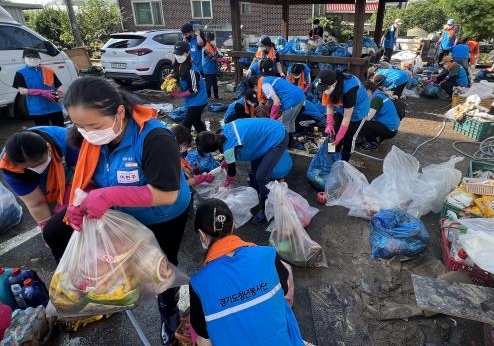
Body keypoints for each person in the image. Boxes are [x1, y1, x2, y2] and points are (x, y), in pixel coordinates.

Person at [41, 77, 192, 345]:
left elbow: (167, 193)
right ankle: (100, 292)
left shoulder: (155, 137)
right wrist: (80, 202)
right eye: (80, 126)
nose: (87, 133)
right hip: (122, 212)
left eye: (94, 126)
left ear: (120, 112)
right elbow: (91, 178)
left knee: (162, 266)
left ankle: (168, 309)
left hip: (164, 213)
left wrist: (108, 195)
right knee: (55, 231)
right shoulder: (90, 139)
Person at [189, 199, 303, 346]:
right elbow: (284, 288)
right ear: (233, 225)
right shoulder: (268, 255)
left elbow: (204, 340)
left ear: (202, 235)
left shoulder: (199, 285)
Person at [195, 118, 288, 223]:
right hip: (268, 130)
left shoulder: (228, 148)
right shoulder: (221, 132)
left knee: (261, 177)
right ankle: (257, 189)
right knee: (255, 170)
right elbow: (234, 150)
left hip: (277, 136)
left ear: (213, 149)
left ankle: (266, 209)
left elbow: (232, 172)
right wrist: (227, 160)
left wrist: (228, 182)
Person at [0, 126, 78, 230]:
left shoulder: (64, 138)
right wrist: (47, 228)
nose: (37, 168)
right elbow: (36, 203)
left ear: (48, 148)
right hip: (35, 181)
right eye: (30, 167)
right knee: (57, 224)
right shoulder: (10, 168)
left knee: (73, 208)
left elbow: (78, 171)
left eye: (40, 163)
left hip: (65, 172)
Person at [315, 69, 370, 162]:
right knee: (333, 134)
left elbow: (347, 117)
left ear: (334, 83)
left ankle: (344, 162)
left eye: (325, 88)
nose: (324, 91)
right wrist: (329, 123)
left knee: (349, 137)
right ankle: (330, 158)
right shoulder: (327, 85)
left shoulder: (350, 89)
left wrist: (340, 135)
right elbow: (329, 104)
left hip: (358, 112)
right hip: (342, 109)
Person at [257, 59, 305, 144]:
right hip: (301, 96)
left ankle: (285, 145)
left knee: (284, 124)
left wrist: (272, 119)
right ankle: (290, 144)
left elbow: (276, 101)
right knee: (291, 121)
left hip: (291, 101)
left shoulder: (265, 84)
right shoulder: (276, 79)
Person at [12, 48, 64, 127]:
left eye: (35, 57)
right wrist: (41, 92)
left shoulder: (48, 71)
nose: (33, 59)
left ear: (39, 59)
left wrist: (59, 95)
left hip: (55, 107)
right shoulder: (20, 73)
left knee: (60, 129)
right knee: (45, 133)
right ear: (23, 59)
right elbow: (22, 91)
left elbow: (58, 86)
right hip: (37, 109)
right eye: (29, 57)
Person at [172, 41, 208, 133]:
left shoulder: (192, 70)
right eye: (176, 54)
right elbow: (177, 73)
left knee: (185, 125)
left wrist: (180, 94)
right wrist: (171, 77)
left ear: (187, 53)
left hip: (198, 101)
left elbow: (194, 90)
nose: (178, 56)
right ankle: (207, 139)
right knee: (196, 122)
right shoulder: (179, 64)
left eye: (180, 54)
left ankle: (183, 144)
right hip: (190, 101)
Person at [359, 81, 401, 150]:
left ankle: (372, 143)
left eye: (364, 92)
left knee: (364, 123)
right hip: (392, 127)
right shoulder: (379, 94)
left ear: (369, 90)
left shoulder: (376, 99)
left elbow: (368, 117)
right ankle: (379, 138)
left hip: (389, 130)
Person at [202, 32, 222, 100]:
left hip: (213, 69)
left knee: (215, 84)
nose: (213, 40)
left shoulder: (212, 46)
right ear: (209, 39)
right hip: (208, 69)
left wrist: (218, 53)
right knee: (208, 84)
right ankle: (208, 97)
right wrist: (218, 54)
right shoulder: (206, 48)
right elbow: (212, 58)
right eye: (212, 39)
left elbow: (219, 55)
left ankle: (216, 96)